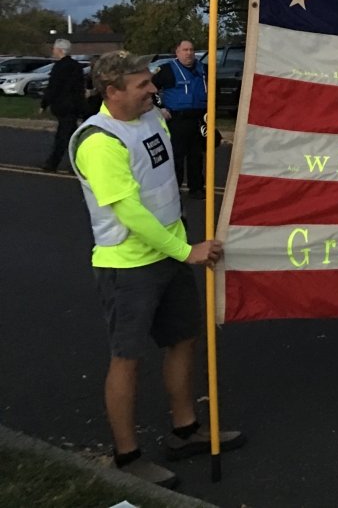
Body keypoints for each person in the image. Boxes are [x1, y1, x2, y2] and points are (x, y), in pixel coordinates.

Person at [68, 50, 244, 488]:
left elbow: (186, 138)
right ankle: (128, 457)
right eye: (142, 84)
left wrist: (209, 132)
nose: (153, 87)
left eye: (150, 81)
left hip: (170, 251)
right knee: (127, 359)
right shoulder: (98, 141)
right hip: (128, 266)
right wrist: (186, 251)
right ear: (112, 91)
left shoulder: (152, 118)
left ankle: (185, 431)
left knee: (183, 340)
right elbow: (131, 212)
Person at [152, 40, 208, 200]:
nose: (188, 53)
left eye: (191, 49)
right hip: (177, 119)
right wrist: (160, 107)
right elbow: (151, 88)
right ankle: (173, 190)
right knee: (176, 156)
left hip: (199, 119)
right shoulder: (166, 70)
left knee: (196, 156)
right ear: (177, 52)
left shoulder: (204, 69)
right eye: (185, 50)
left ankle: (196, 188)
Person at [39, 38, 85, 172]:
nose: (53, 51)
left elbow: (53, 87)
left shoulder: (59, 67)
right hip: (74, 105)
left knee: (63, 137)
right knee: (72, 136)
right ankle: (76, 163)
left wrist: (44, 104)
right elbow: (79, 88)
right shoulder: (77, 66)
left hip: (63, 106)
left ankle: (53, 163)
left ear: (59, 50)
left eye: (54, 48)